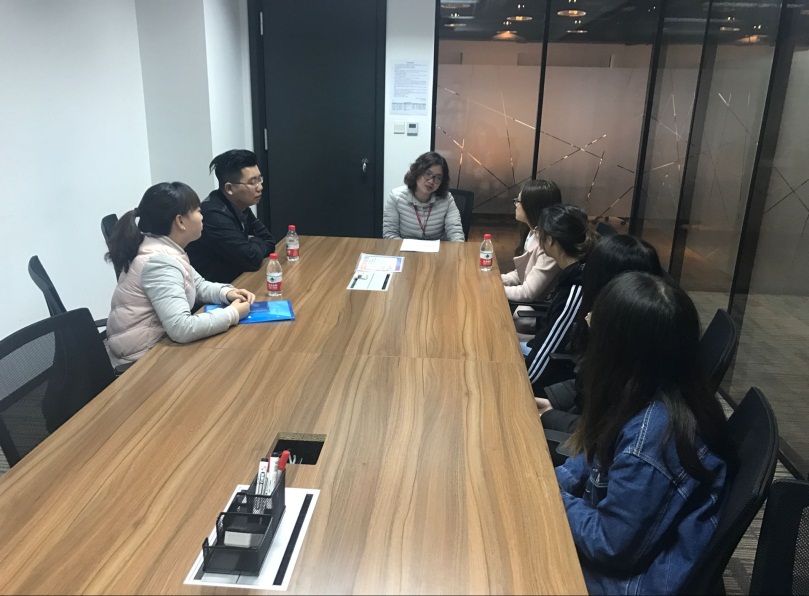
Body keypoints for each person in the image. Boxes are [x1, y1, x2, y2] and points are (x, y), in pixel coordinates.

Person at [556, 271, 731, 595]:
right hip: (617, 562)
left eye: (596, 323)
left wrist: (551, 499)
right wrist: (545, 482)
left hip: (626, 584)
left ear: (617, 349)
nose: (588, 323)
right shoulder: (644, 393)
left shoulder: (654, 440)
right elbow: (591, 456)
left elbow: (609, 544)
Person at [105, 182, 254, 367]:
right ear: (180, 221)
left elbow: (198, 285)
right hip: (141, 361)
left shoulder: (163, 249)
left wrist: (227, 293)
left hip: (158, 346)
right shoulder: (160, 262)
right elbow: (181, 328)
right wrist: (232, 314)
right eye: (198, 211)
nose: (202, 217)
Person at [537, 234, 664, 433]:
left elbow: (609, 430)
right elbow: (587, 383)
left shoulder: (631, 346)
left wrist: (549, 416)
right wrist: (551, 401)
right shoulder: (634, 326)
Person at [524, 204, 597, 395]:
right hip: (539, 352)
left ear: (550, 240)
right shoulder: (574, 273)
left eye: (540, 233)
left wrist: (518, 384)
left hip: (546, 379)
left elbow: (547, 352)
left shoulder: (574, 291)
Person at [186, 149, 275, 283]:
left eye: (259, 180)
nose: (260, 187)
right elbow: (251, 260)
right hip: (213, 289)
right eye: (252, 182)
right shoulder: (213, 215)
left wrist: (252, 244)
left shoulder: (240, 204)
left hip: (236, 280)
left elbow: (269, 240)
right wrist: (254, 242)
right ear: (229, 188)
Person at [501, 180, 562, 334]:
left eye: (518, 201)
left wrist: (496, 289)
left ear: (532, 206)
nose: (515, 204)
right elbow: (522, 273)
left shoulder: (549, 244)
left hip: (541, 307)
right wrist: (496, 280)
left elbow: (528, 292)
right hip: (531, 301)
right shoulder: (533, 233)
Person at [383, 152, 464, 242]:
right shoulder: (396, 197)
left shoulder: (447, 199)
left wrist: (457, 249)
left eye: (438, 178)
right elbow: (389, 234)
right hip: (404, 249)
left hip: (437, 250)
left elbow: (455, 233)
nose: (431, 181)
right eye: (428, 174)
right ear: (417, 172)